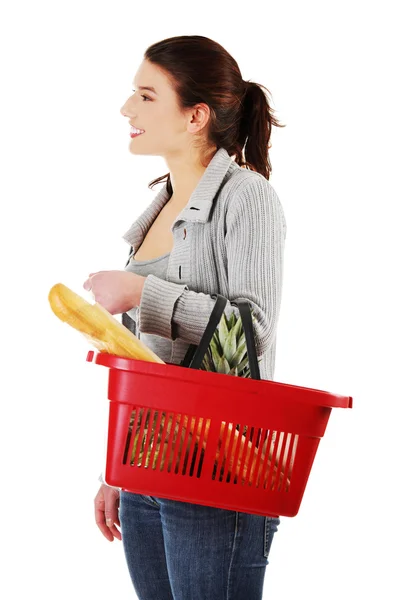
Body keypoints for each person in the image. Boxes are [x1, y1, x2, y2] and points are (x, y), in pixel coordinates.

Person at [86, 35, 287, 600]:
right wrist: (115, 468)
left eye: (146, 96)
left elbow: (252, 328)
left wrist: (140, 291)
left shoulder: (247, 197)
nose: (128, 109)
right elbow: (142, 360)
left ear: (196, 115)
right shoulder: (158, 206)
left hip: (217, 469)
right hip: (149, 465)